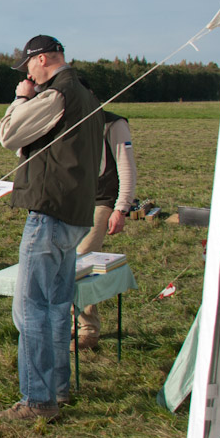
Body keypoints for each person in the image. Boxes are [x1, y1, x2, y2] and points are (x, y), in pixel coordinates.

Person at [0, 35, 102, 421]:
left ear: (41, 60)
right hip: (76, 214)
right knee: (57, 308)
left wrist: (22, 98)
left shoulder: (57, 94)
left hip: (49, 213)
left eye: (27, 68)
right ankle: (57, 390)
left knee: (31, 310)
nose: (26, 75)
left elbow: (8, 135)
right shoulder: (88, 96)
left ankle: (37, 400)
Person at [73, 104, 137, 350]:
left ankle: (88, 329)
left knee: (81, 259)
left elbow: (127, 168)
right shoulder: (65, 120)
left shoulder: (113, 124)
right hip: (72, 201)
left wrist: (122, 208)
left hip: (102, 200)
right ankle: (71, 323)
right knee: (65, 261)